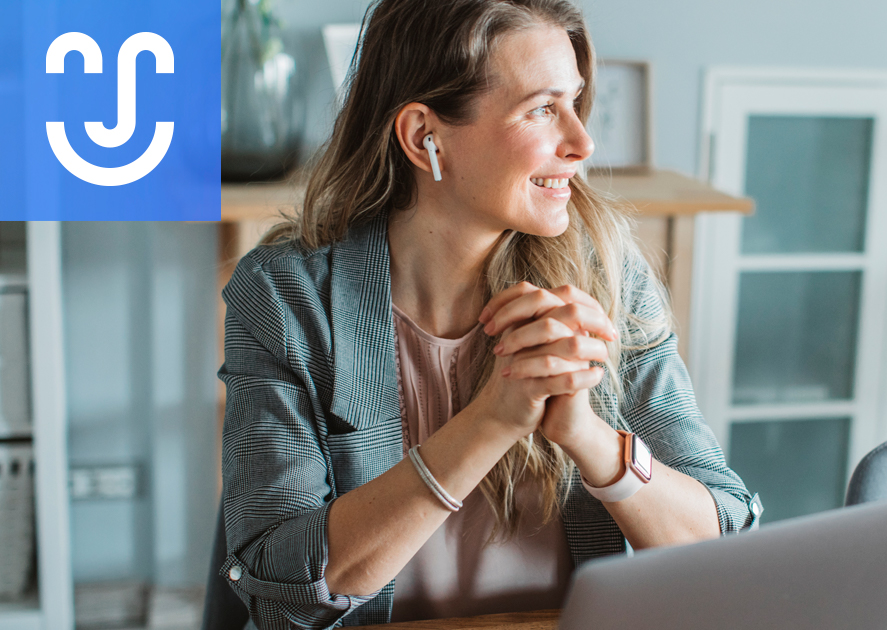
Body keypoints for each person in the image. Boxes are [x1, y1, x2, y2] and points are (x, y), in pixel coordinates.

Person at [217, 0, 759, 627]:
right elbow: (280, 596)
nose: (583, 143)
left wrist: (587, 434)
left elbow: (723, 545)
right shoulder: (287, 297)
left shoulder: (609, 277)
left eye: (575, 103)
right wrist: (491, 422)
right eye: (541, 109)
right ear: (425, 137)